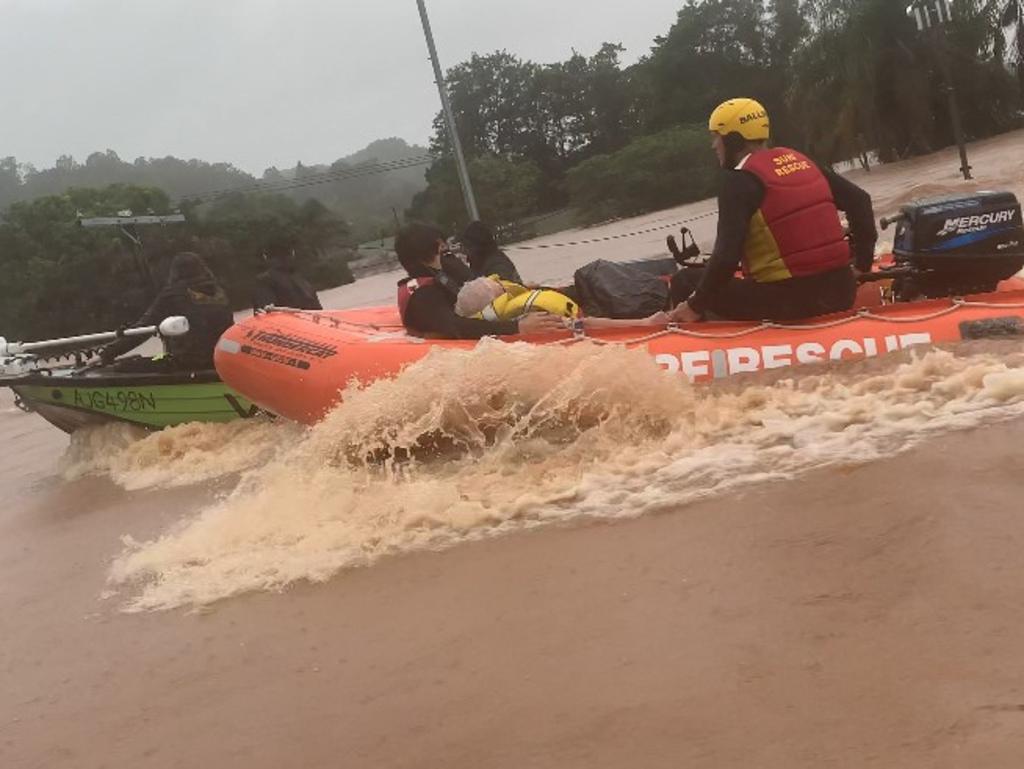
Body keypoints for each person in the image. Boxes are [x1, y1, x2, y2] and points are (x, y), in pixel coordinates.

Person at [669, 98, 877, 323]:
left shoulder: (738, 181)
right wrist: (861, 266)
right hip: (842, 292)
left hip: (792, 303)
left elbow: (726, 259)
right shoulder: (803, 161)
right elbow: (861, 202)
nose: (714, 146)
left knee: (685, 280)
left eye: (716, 137)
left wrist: (694, 305)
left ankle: (706, 343)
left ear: (733, 140)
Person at [395, 223, 563, 339]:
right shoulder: (422, 294)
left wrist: (515, 288)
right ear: (432, 247)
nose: (444, 249)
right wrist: (518, 328)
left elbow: (470, 289)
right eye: (440, 246)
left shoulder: (435, 277)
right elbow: (455, 326)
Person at [98, 251, 233, 370]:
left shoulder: (173, 294)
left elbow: (143, 329)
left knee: (124, 367)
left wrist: (108, 353)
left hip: (186, 363)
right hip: (221, 361)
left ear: (175, 272)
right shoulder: (220, 293)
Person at [454, 276, 668, 329]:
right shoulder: (528, 317)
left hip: (587, 312)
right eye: (501, 288)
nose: (507, 287)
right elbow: (582, 326)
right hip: (601, 323)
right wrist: (644, 324)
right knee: (591, 274)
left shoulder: (508, 319)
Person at [253, 236, 322, 310]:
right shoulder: (300, 278)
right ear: (292, 253)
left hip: (288, 321)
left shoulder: (264, 281)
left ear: (265, 256)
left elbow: (265, 315)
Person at [459, 220, 523, 283]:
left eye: (468, 247)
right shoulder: (478, 262)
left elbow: (503, 290)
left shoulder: (497, 266)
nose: (465, 253)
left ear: (477, 247)